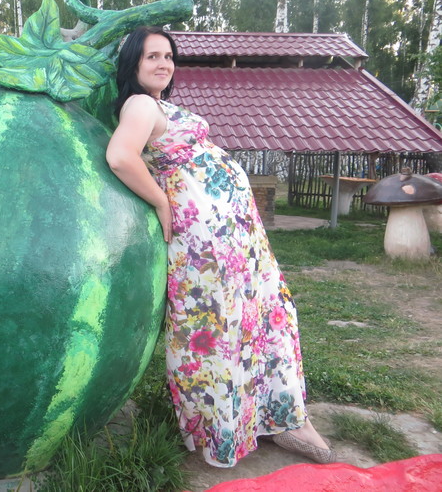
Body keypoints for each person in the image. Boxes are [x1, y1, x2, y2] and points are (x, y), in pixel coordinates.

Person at [106, 26, 336, 468]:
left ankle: (275, 416)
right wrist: (161, 202)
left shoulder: (157, 105)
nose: (163, 63)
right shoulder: (139, 104)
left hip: (231, 234)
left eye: (168, 56)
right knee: (221, 326)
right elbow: (120, 157)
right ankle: (241, 426)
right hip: (207, 241)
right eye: (152, 56)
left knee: (260, 315)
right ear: (133, 63)